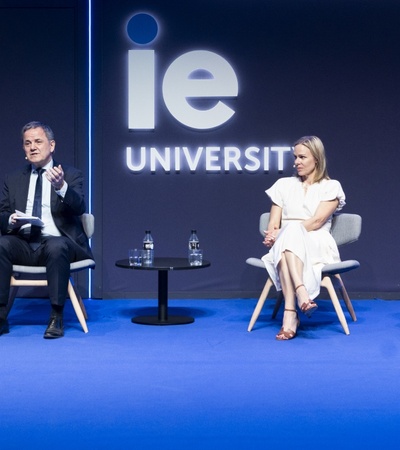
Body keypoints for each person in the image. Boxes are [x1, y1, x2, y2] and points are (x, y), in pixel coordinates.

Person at [0, 121, 94, 339]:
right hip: (23, 243)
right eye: (27, 143)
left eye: (38, 141)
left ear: (51, 146)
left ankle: (56, 316)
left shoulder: (70, 175)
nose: (33, 147)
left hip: (58, 244)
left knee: (56, 244)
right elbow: (2, 214)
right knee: (1, 244)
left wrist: (62, 187)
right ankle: (1, 315)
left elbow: (80, 207)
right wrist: (10, 220)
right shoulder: (13, 179)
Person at [262, 136, 345, 340]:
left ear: (316, 158)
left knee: (289, 236)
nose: (296, 162)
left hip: (316, 240)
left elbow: (317, 221)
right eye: (295, 157)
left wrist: (283, 232)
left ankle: (290, 314)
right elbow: (273, 222)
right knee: (285, 243)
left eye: (302, 157)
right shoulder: (282, 184)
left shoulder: (331, 186)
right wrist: (272, 234)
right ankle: (301, 295)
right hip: (286, 241)